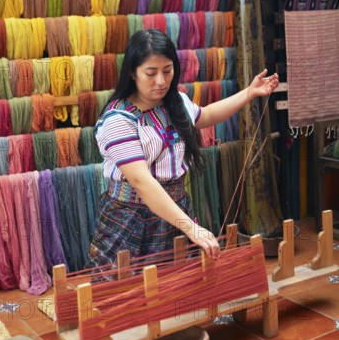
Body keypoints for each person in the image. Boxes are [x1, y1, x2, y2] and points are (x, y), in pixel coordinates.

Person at [87, 29, 279, 274]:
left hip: (176, 209)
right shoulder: (118, 120)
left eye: (167, 71)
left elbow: (206, 115)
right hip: (130, 220)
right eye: (151, 73)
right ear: (132, 73)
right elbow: (141, 181)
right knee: (125, 294)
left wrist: (250, 93)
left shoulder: (175, 102)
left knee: (177, 286)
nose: (161, 81)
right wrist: (190, 228)